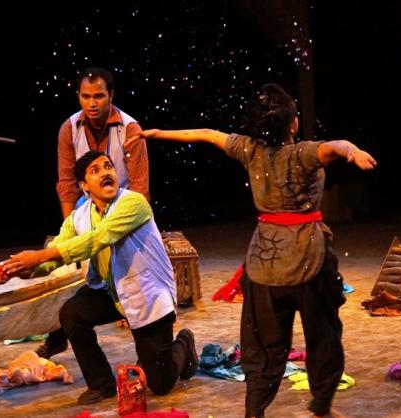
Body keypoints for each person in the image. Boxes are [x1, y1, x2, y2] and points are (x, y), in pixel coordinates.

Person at [132, 83, 376, 418]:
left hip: (264, 267)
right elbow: (335, 146)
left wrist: (157, 134)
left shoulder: (250, 149)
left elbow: (206, 134)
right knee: (323, 336)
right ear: (293, 124)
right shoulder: (303, 152)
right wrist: (353, 151)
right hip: (308, 261)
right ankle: (321, 406)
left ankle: (254, 412)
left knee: (263, 346)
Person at [0, 150, 197, 405]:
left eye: (108, 166)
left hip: (146, 294)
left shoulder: (134, 202)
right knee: (72, 313)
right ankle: (101, 384)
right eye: (95, 170)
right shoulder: (79, 216)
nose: (106, 172)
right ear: (84, 185)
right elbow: (56, 254)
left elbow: (98, 238)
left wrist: (38, 256)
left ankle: (184, 343)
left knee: (160, 384)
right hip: (110, 291)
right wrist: (17, 271)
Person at [40, 66, 150, 359]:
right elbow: (67, 183)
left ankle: (137, 325)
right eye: (86, 96)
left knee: (127, 273)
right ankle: (57, 334)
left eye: (99, 96)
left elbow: (140, 186)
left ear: (111, 95)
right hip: (88, 206)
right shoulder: (69, 128)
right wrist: (70, 228)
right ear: (78, 96)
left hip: (124, 207)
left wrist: (123, 224)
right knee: (64, 265)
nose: (92, 103)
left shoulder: (129, 128)